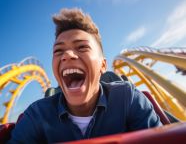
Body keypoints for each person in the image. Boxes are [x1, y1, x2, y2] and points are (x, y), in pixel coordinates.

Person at [8, 8, 162, 143]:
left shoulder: (128, 98)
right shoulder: (37, 114)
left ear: (103, 65)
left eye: (82, 47)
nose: (67, 55)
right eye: (58, 51)